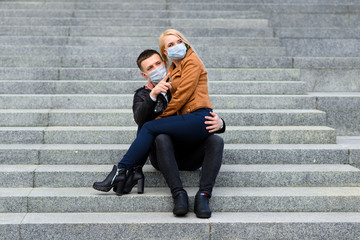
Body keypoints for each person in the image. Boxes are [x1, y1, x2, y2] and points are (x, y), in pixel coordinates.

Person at [93, 29, 224, 218]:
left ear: (165, 62)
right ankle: (178, 194)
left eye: (158, 64)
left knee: (216, 141)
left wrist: (221, 123)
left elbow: (194, 108)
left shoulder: (179, 79)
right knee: (158, 134)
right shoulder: (142, 95)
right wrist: (153, 96)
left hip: (190, 149)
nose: (156, 69)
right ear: (144, 75)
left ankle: (204, 195)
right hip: (163, 153)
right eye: (150, 68)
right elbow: (140, 120)